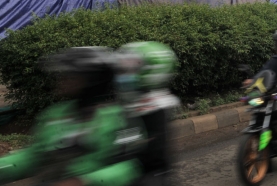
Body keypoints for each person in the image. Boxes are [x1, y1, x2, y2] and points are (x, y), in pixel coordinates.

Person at [0, 47, 143, 186]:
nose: (61, 79)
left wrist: (84, 181)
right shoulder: (54, 114)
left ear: (92, 80)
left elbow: (129, 167)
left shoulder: (120, 118)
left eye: (70, 75)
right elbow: (33, 156)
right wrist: (3, 167)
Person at [115, 41, 180, 186]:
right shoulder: (129, 102)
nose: (123, 76)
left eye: (130, 70)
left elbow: (149, 154)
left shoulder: (157, 105)